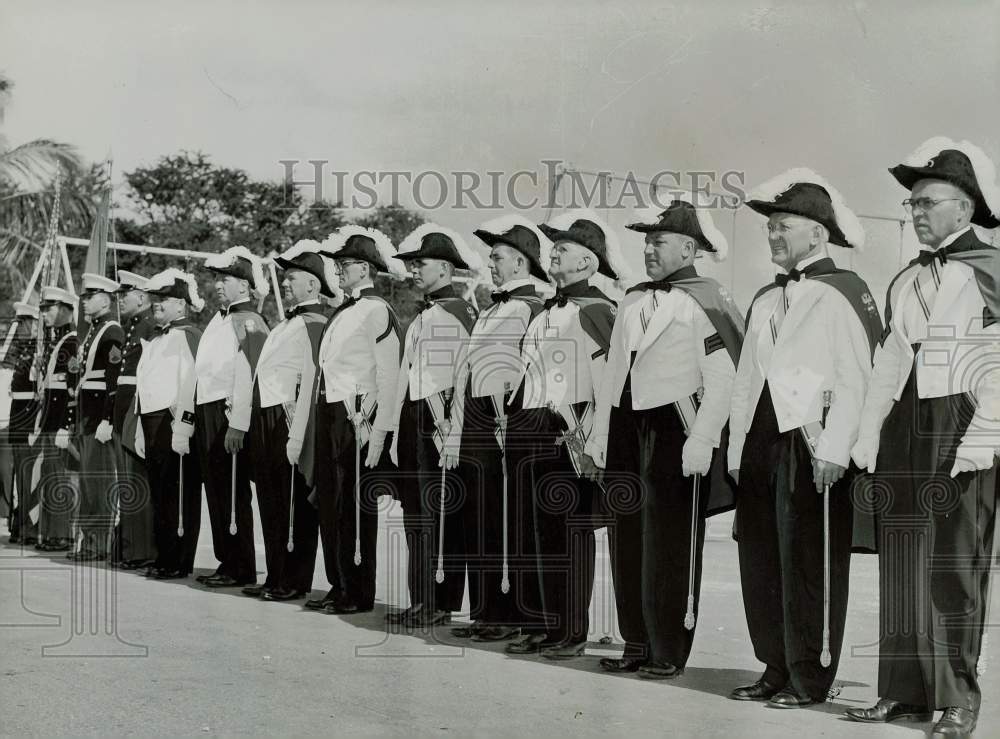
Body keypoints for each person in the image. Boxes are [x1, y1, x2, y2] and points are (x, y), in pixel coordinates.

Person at [846, 138, 1000, 739]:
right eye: (910, 203)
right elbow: (890, 359)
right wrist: (867, 432)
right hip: (907, 423)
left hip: (965, 419)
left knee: (956, 565)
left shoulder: (990, 269)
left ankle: (958, 698)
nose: (914, 212)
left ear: (963, 209)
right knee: (904, 557)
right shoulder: (906, 279)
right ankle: (904, 692)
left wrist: (984, 437)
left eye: (926, 202)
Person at [728, 170, 882, 708]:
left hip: (812, 443)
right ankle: (773, 666)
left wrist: (836, 449)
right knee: (762, 561)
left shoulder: (845, 292)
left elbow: (857, 377)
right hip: (762, 440)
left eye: (784, 225)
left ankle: (809, 675)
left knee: (809, 564)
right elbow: (747, 376)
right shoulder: (767, 299)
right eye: (770, 226)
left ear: (818, 233)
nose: (773, 235)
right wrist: (737, 448)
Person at [583, 196, 743, 676]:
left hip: (678, 428)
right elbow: (613, 374)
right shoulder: (631, 298)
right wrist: (598, 439)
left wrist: (703, 439)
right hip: (629, 428)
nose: (649, 250)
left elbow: (723, 377)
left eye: (659, 241)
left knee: (670, 543)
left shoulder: (707, 298)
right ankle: (636, 641)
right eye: (647, 242)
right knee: (627, 537)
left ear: (688, 248)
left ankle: (668, 649)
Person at [503, 209, 623, 657]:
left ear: (589, 262)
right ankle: (538, 623)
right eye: (554, 246)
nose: (554, 253)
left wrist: (592, 443)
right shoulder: (543, 312)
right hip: (529, 424)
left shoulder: (597, 310)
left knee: (568, 534)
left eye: (565, 248)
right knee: (532, 532)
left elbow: (607, 382)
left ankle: (569, 631)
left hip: (568, 431)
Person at [444, 216, 549, 641]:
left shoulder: (529, 308)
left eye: (498, 257)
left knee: (503, 518)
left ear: (521, 263)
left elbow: (527, 371)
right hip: (475, 418)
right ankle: (485, 611)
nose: (491, 264)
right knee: (478, 518)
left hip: (503, 420)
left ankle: (506, 613)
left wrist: (510, 420)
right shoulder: (492, 309)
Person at [290, 226, 404, 615]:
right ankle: (339, 583)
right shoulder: (344, 310)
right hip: (330, 410)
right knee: (330, 503)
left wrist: (379, 432)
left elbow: (389, 374)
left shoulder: (377, 310)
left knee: (354, 507)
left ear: (367, 269)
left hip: (357, 416)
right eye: (338, 264)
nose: (338, 270)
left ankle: (357, 591)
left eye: (346, 264)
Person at [390, 224, 481, 627]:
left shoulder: (460, 313)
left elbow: (464, 377)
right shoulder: (424, 314)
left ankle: (439, 601)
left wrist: (451, 429)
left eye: (420, 264)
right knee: (416, 515)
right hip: (415, 418)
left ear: (444, 269)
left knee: (440, 516)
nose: (413, 270)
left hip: (441, 421)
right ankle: (421, 597)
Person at [244, 240, 333, 601]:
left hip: (289, 417)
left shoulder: (314, 323)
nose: (285, 283)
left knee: (292, 501)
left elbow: (312, 381)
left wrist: (297, 432)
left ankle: (295, 580)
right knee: (270, 500)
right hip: (266, 414)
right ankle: (276, 574)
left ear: (313, 284)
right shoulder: (286, 323)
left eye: (292, 277)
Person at [195, 246, 270, 588]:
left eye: (226, 279)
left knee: (233, 491)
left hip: (229, 413)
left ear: (245, 285)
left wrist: (238, 423)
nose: (219, 286)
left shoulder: (249, 320)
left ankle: (240, 565)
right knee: (217, 489)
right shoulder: (218, 319)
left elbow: (251, 377)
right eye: (218, 279)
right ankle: (228, 560)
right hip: (207, 409)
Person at [136, 268, 205, 579]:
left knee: (178, 495)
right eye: (155, 299)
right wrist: (139, 425)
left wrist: (183, 427)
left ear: (182, 305)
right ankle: (164, 555)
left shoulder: (188, 336)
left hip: (173, 422)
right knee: (160, 494)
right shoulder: (155, 338)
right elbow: (145, 387)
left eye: (165, 299)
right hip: (151, 422)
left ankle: (179, 560)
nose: (157, 304)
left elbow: (190, 386)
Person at [65, 273, 124, 562]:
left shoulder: (111, 331)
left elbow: (112, 381)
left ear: (105, 299)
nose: (85, 301)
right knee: (89, 483)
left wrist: (107, 419)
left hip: (98, 418)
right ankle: (89, 541)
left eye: (90, 297)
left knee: (98, 484)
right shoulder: (93, 331)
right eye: (84, 297)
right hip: (86, 416)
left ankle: (98, 544)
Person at [108, 271, 158, 570]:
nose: (120, 301)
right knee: (127, 481)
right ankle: (130, 547)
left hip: (137, 411)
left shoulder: (150, 327)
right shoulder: (132, 328)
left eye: (124, 295)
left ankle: (140, 550)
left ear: (141, 297)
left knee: (137, 480)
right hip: (123, 410)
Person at [33, 286, 78, 553]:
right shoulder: (57, 342)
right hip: (49, 419)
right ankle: (51, 533)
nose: (45, 315)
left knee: (60, 479)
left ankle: (62, 534)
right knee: (50, 478)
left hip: (59, 420)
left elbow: (72, 387)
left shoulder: (71, 342)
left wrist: (65, 424)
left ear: (64, 310)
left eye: (48, 309)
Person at [2, 302, 40, 544]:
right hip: (17, 419)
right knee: (19, 477)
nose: (20, 328)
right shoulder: (22, 350)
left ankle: (29, 528)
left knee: (28, 475)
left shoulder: (38, 351)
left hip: (28, 418)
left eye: (24, 323)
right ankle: (20, 524)